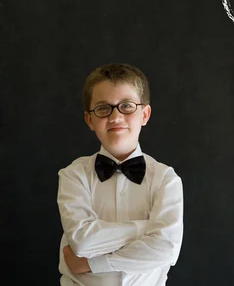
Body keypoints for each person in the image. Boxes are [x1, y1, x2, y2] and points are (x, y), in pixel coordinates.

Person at [57, 63, 184, 285]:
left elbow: (166, 250)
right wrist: (145, 228)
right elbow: (82, 242)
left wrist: (92, 264)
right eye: (103, 108)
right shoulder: (73, 175)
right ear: (90, 120)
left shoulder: (166, 179)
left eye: (126, 106)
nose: (115, 117)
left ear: (145, 114)